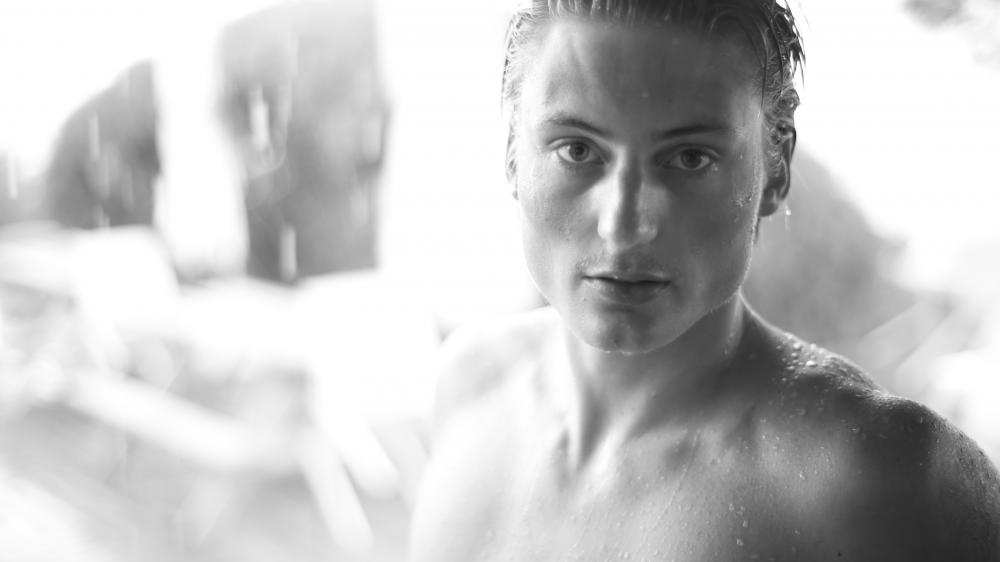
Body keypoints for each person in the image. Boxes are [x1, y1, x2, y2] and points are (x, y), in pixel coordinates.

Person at [408, 1, 1000, 560]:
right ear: (513, 153)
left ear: (775, 168)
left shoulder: (879, 477)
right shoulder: (468, 392)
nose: (624, 225)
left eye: (689, 158)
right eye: (577, 150)